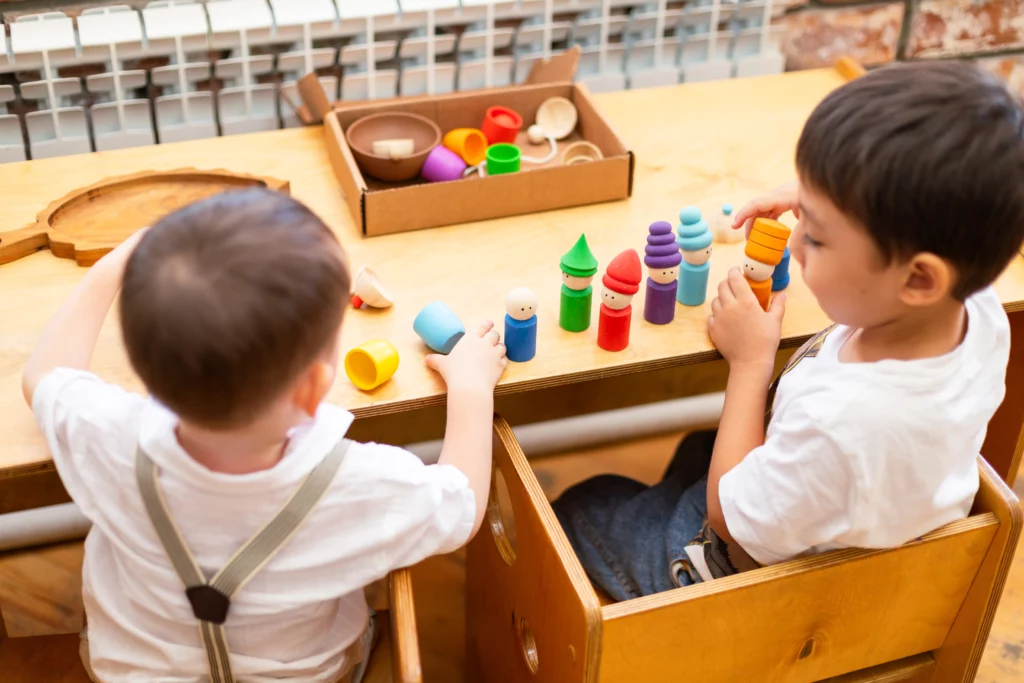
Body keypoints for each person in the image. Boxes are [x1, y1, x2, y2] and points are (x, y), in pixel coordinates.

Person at [553, 60, 1024, 602]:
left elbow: (726, 518)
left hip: (738, 575)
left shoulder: (842, 424)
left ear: (917, 277)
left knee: (584, 504)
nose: (795, 242)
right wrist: (821, 199)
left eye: (817, 237)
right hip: (875, 541)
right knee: (697, 447)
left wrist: (751, 362)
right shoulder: (979, 306)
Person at [22, 189, 507, 682]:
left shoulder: (110, 436)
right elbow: (462, 504)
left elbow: (43, 376)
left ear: (145, 373)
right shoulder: (359, 482)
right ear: (316, 386)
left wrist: (113, 266)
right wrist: (470, 386)